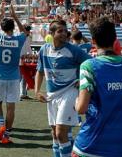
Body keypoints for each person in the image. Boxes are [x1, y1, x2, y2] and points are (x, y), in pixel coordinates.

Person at [72, 17, 122, 157]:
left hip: (91, 146)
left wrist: (76, 100)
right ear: (115, 38)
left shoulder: (89, 66)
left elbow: (81, 108)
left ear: (93, 41)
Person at [35, 20, 91, 157]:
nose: (64, 34)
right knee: (55, 134)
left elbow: (91, 64)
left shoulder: (73, 50)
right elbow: (40, 71)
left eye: (65, 31)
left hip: (69, 92)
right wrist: (37, 91)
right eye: (60, 31)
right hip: (51, 95)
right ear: (51, 33)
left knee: (61, 133)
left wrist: (82, 80)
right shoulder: (44, 50)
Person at [0, 4, 28, 144]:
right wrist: (15, 17)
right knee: (11, 107)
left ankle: (1, 126)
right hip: (13, 78)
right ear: (13, 27)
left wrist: (0, 14)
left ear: (3, 28)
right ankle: (6, 136)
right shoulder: (18, 40)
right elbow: (25, 32)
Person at [19, 24, 32, 100]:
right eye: (27, 30)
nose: (29, 32)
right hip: (19, 59)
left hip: (25, 59)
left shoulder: (27, 38)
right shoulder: (20, 37)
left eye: (29, 30)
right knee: (19, 77)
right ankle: (17, 94)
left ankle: (23, 94)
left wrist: (30, 55)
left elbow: (28, 48)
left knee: (25, 77)